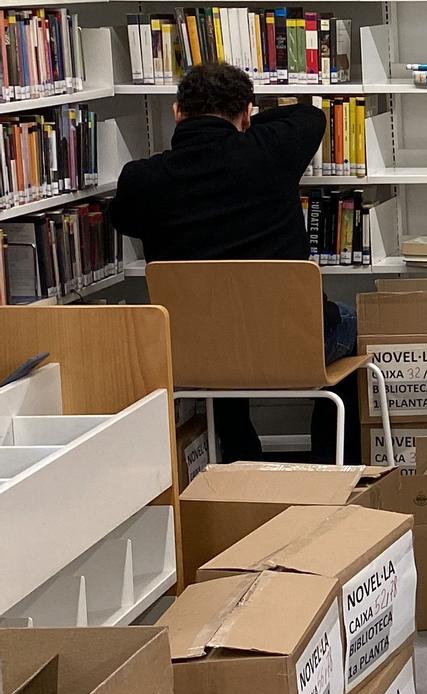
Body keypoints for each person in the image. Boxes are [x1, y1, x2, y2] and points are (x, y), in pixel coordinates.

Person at [109, 62, 357, 462]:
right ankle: (331, 461)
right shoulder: (270, 151)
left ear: (176, 112)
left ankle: (241, 454)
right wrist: (247, 123)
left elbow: (122, 219)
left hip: (194, 352)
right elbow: (309, 114)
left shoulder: (142, 179)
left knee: (218, 335)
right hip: (290, 346)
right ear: (245, 113)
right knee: (349, 322)